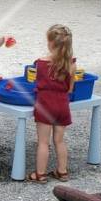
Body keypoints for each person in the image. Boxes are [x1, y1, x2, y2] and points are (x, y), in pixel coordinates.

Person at [29, 25, 76, 183]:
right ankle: (62, 172)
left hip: (45, 104)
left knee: (43, 142)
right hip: (62, 104)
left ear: (50, 43)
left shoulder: (40, 63)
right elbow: (70, 89)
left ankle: (40, 174)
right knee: (59, 140)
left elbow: (36, 83)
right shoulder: (71, 63)